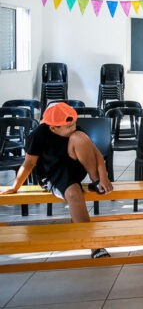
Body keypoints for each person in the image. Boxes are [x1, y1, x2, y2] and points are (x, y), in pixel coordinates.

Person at [1, 103, 114, 259]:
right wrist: (15, 186)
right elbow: (28, 164)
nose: (73, 128)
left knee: (80, 137)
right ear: (53, 128)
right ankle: (94, 246)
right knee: (74, 194)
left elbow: (97, 155)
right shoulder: (39, 134)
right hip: (52, 174)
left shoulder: (75, 131)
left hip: (73, 167)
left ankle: (95, 182)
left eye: (74, 124)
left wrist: (103, 178)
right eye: (68, 126)